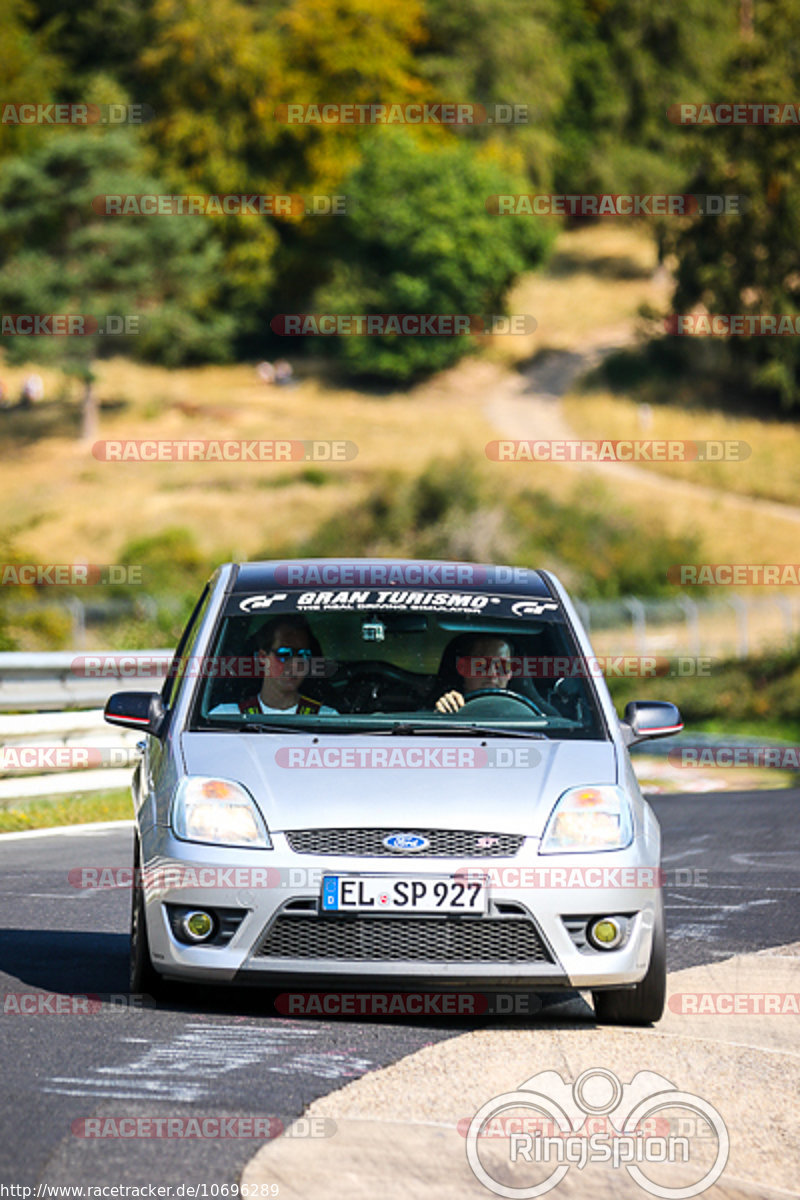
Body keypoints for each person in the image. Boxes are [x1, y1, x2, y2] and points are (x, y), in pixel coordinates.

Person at [209, 615, 337, 716]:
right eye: (284, 654)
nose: (295, 664)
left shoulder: (327, 718)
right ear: (263, 657)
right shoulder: (226, 716)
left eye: (303, 655)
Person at [434, 634, 515, 714]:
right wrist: (443, 713)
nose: (492, 674)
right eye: (481, 665)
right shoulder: (451, 707)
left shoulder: (522, 716)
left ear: (510, 674)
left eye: (502, 666)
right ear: (463, 668)